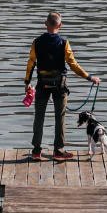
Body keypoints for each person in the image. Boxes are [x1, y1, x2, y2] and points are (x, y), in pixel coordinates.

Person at [25, 11, 100, 160]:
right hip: (60, 85)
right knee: (60, 118)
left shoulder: (37, 42)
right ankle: (58, 151)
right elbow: (73, 65)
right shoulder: (64, 43)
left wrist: (27, 83)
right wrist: (89, 77)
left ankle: (36, 151)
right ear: (60, 25)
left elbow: (31, 63)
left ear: (46, 24)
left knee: (39, 118)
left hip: (42, 84)